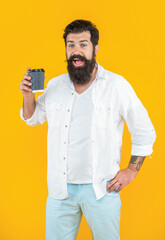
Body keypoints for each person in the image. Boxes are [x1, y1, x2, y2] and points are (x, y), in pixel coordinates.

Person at [19, 19, 156, 240]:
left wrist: (131, 170)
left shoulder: (116, 85)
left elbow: (144, 131)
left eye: (83, 44)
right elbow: (32, 118)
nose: (76, 51)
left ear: (95, 48)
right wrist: (28, 97)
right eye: (71, 45)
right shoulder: (55, 85)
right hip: (60, 191)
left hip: (102, 191)